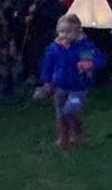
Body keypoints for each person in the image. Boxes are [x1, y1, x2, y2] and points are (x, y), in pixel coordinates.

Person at [37, 15, 105, 150]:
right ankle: (63, 138)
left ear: (78, 31)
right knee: (60, 113)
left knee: (71, 110)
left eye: (68, 32)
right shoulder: (55, 48)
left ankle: (77, 133)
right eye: (61, 32)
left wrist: (89, 63)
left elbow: (100, 59)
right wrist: (47, 81)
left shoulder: (84, 47)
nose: (64, 35)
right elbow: (48, 65)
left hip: (78, 88)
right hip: (60, 86)